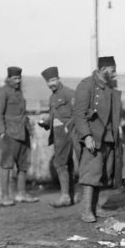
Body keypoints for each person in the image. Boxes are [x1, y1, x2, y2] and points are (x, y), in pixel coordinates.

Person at [73, 56, 125, 222]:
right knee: (91, 173)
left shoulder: (109, 87)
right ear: (104, 69)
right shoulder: (86, 86)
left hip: (108, 136)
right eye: (113, 71)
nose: (115, 74)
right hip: (93, 137)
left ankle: (95, 208)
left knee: (102, 173)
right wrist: (87, 136)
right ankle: (86, 211)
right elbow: (79, 114)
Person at [0, 66, 38, 206]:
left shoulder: (19, 93)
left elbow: (23, 113)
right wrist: (1, 132)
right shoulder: (2, 92)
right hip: (9, 134)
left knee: (23, 164)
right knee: (7, 165)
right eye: (14, 78)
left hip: (23, 132)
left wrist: (30, 129)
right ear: (8, 78)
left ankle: (21, 193)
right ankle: (5, 196)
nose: (17, 81)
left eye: (19, 78)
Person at [38, 66, 77, 208]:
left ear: (59, 79)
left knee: (59, 163)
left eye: (54, 80)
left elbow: (78, 112)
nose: (51, 84)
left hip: (66, 132)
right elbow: (54, 117)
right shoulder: (52, 97)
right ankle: (71, 195)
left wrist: (68, 126)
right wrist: (45, 122)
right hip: (57, 133)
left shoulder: (68, 93)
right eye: (49, 81)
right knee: (67, 163)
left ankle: (65, 196)